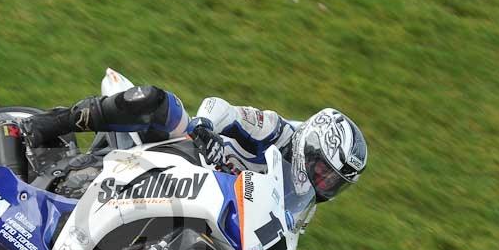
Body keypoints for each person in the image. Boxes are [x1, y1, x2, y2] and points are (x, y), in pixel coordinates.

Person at [19, 85, 368, 202]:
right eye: (323, 171)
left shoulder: (300, 203)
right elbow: (222, 107)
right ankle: (43, 126)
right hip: (185, 151)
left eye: (333, 181)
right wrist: (205, 129)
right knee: (156, 101)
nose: (323, 183)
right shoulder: (277, 131)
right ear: (310, 144)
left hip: (198, 197)